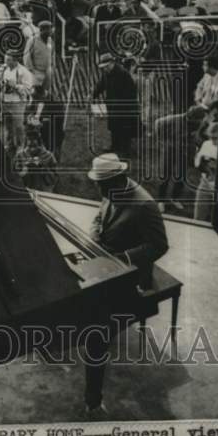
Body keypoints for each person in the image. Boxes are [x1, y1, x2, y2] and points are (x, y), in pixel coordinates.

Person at [83, 152, 169, 417]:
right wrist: (95, 233)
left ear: (118, 179)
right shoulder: (112, 190)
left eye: (102, 185)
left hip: (131, 276)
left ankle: (93, 402)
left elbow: (159, 246)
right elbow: (100, 217)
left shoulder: (144, 205)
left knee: (96, 328)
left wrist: (122, 259)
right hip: (107, 262)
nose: (99, 190)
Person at [153, 105, 206, 212]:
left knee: (181, 174)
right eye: (195, 120)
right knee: (165, 174)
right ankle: (161, 200)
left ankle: (175, 198)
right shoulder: (173, 119)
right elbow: (157, 123)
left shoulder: (200, 123)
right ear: (189, 116)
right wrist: (161, 140)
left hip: (185, 150)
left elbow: (199, 136)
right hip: (170, 148)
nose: (197, 123)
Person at [92, 53, 139, 157]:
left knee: (124, 127)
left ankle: (126, 150)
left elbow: (130, 92)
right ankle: (114, 147)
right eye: (103, 67)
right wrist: (92, 95)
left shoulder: (122, 74)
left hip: (125, 106)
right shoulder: (107, 74)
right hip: (113, 105)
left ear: (112, 63)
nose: (104, 69)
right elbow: (101, 85)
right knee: (114, 126)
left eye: (106, 66)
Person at [0, 49, 34, 153]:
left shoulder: (24, 72)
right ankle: (10, 145)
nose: (6, 62)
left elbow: (29, 90)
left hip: (18, 102)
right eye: (5, 59)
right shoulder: (3, 68)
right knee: (7, 125)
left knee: (19, 126)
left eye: (9, 60)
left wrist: (15, 86)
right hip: (5, 101)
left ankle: (22, 147)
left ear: (15, 60)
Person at [193, 122, 218, 222]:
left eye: (216, 138)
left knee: (216, 218)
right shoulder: (206, 144)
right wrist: (200, 161)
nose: (212, 140)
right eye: (211, 137)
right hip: (204, 182)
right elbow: (197, 162)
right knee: (198, 215)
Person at [23, 20, 54, 99]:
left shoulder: (50, 41)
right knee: (34, 95)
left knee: (44, 95)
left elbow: (52, 54)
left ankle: (41, 110)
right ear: (41, 30)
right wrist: (31, 71)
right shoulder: (32, 41)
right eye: (48, 29)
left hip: (47, 72)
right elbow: (27, 56)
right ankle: (31, 110)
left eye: (51, 29)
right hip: (36, 72)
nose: (50, 31)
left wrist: (52, 67)